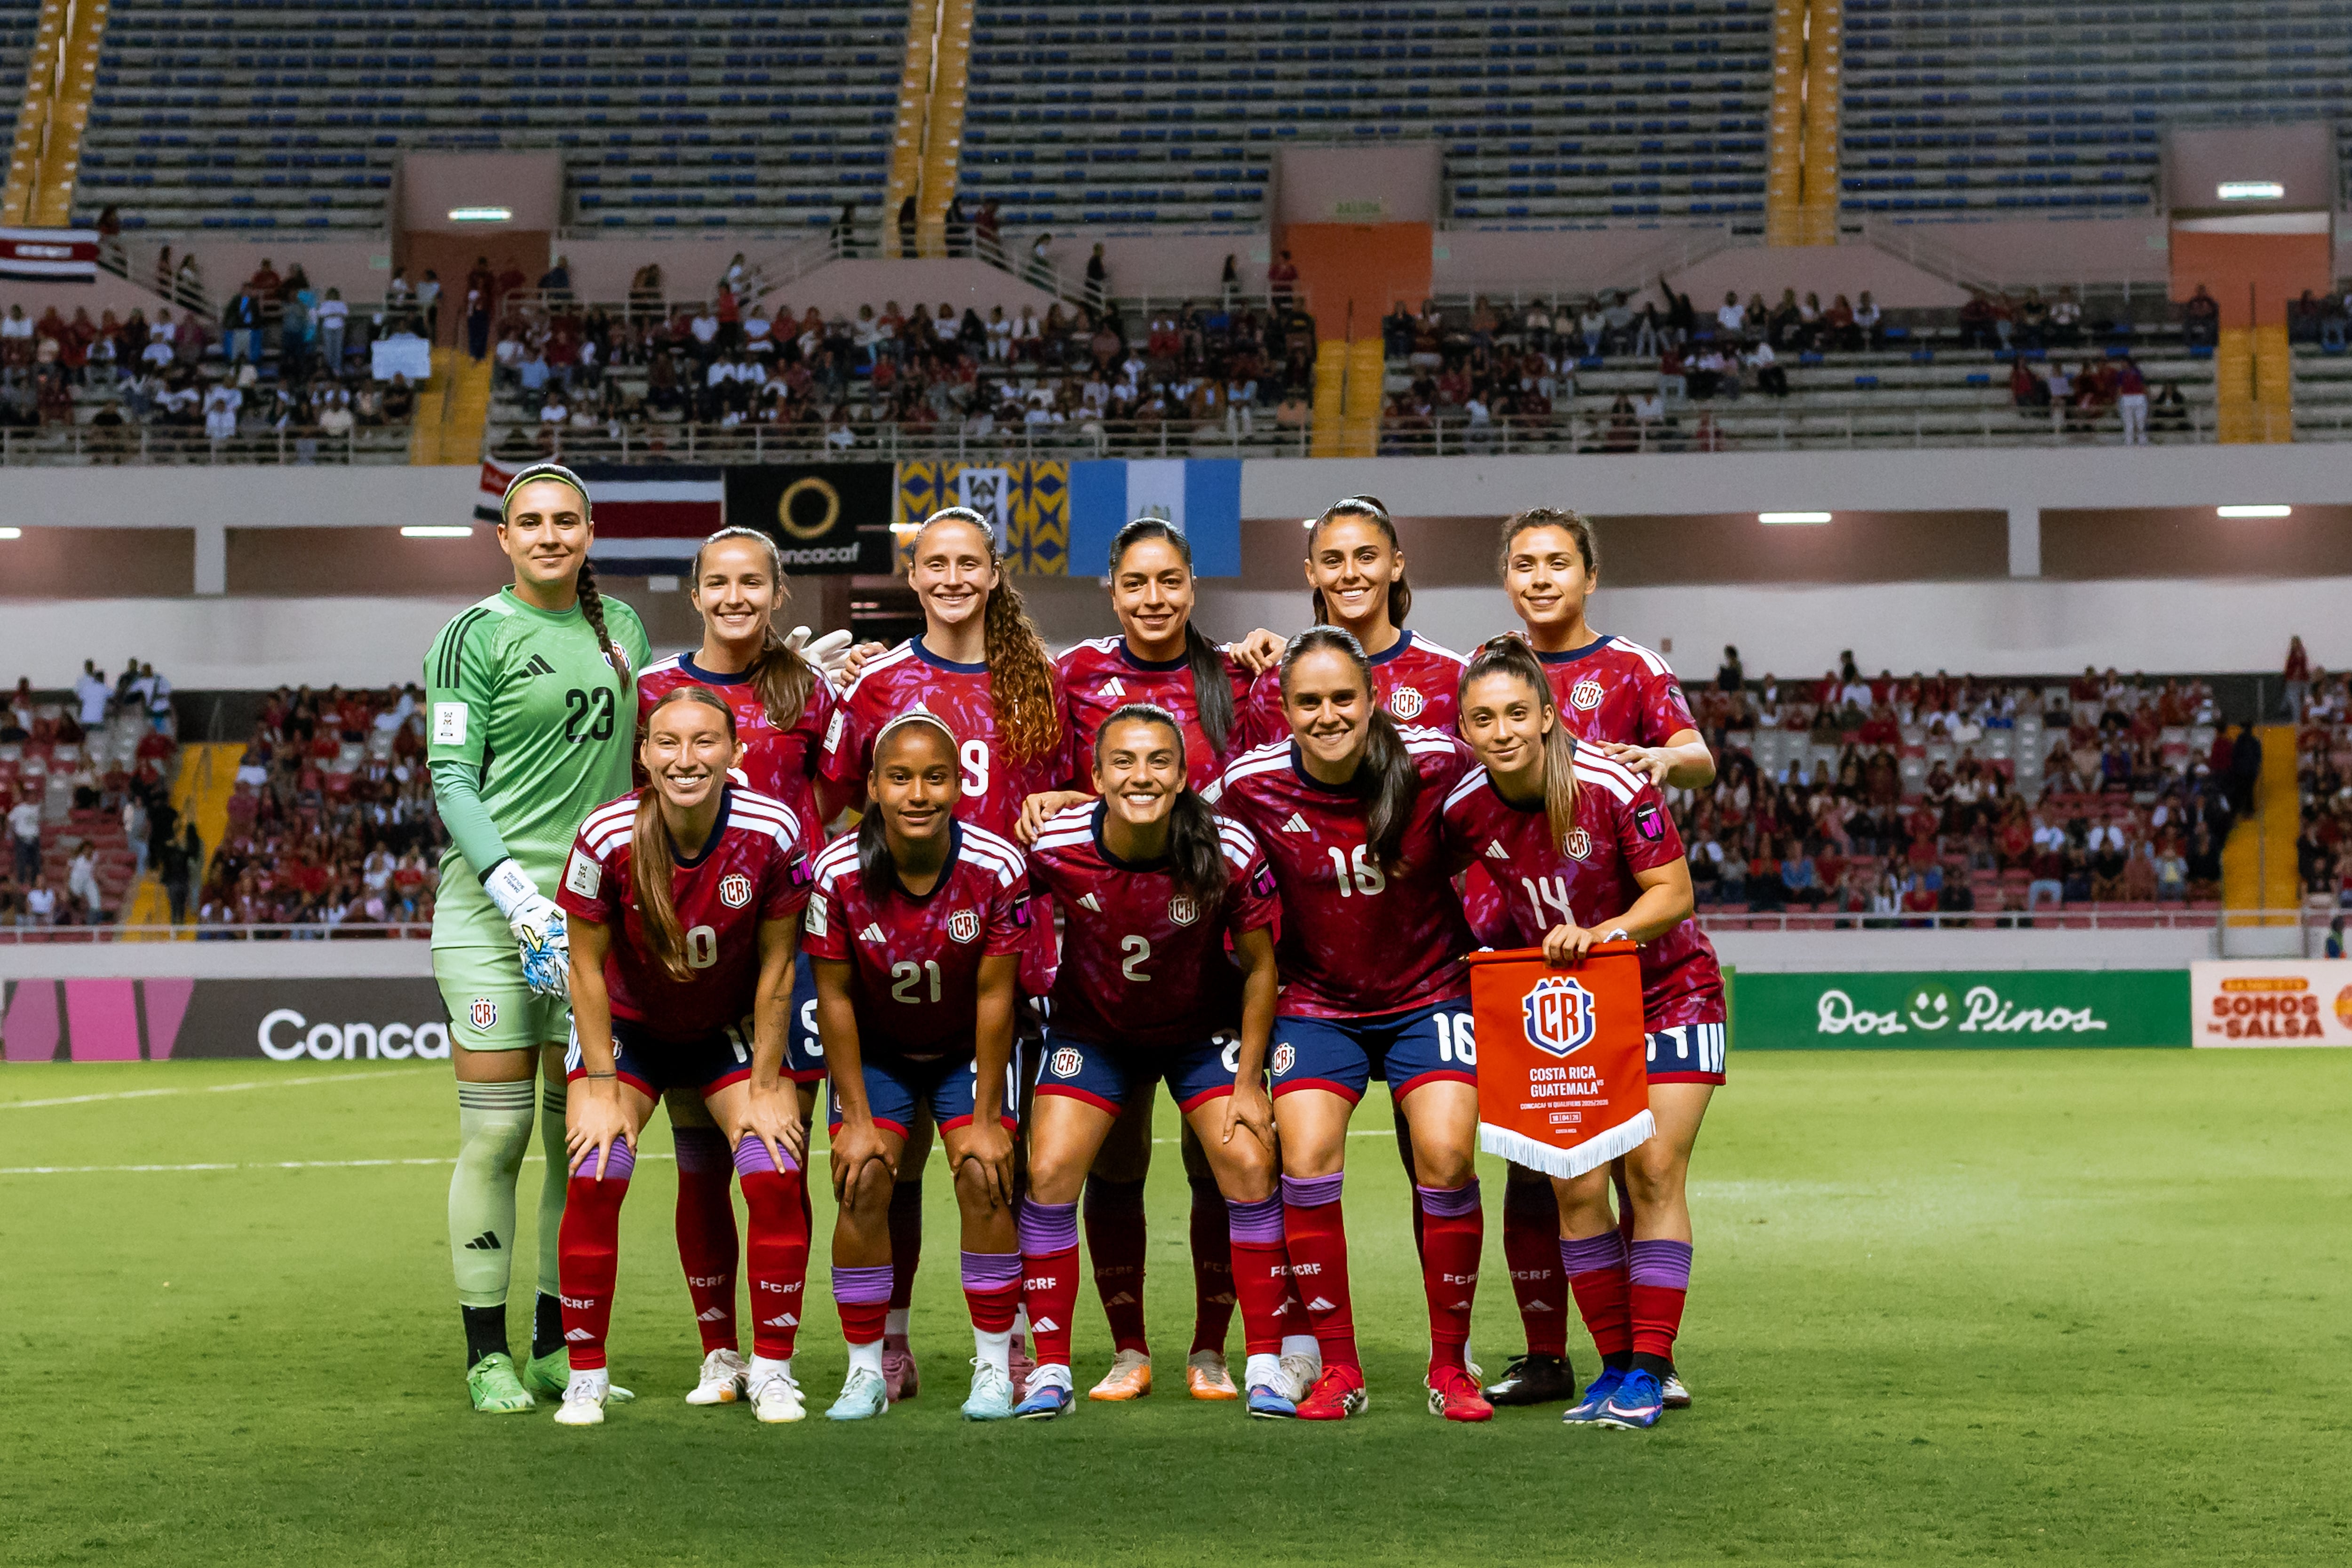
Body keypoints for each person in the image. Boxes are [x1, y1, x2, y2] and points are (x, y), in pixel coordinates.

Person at [1015, 518, 1283, 1401]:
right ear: (1111, 588)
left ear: (1194, 586)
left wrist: (1270, 664)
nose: (1154, 597)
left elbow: (1269, 777)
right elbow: (1047, 784)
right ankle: (1121, 1347)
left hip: (1204, 974)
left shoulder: (1233, 678)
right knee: (1104, 1160)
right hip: (1103, 994)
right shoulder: (1078, 674)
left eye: (1170, 580)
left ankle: (1218, 1348)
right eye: (1136, 582)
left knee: (1228, 1160)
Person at [1203, 628, 1490, 1422]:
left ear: (1371, 701)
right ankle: (1338, 1368)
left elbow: (1519, 806)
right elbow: (1169, 827)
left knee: (1444, 1152)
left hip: (1430, 993)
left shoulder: (1439, 764)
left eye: (1342, 698)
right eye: (1308, 702)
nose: (1327, 715)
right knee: (1308, 1154)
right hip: (1315, 1002)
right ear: (1285, 709)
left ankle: (1449, 1365)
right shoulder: (1249, 784)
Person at [1446, 638, 1726, 1428]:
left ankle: (1653, 1366)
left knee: (1652, 1171)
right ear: (1465, 728)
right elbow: (1450, 884)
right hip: (1569, 1010)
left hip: (1671, 993)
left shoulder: (1610, 784)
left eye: (1514, 714)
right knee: (1573, 1180)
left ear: (1546, 717)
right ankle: (1610, 1369)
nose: (1500, 731)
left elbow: (1673, 893)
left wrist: (1606, 932)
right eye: (1482, 718)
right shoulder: (1464, 807)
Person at [423, 461, 652, 1414]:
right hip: (491, 913)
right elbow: (451, 778)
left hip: (594, 917)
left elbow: (670, 753)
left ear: (589, 534)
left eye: (567, 519)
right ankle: (487, 1355)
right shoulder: (470, 635)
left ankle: (560, 1347)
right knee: (501, 1130)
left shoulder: (625, 630)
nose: (550, 534)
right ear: (505, 538)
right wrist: (515, 892)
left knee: (579, 1138)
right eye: (532, 521)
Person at [820, 506, 1064, 1398]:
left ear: (995, 573)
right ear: (913, 576)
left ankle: (1017, 1337)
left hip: (1011, 950)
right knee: (895, 1155)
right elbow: (833, 798)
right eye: (937, 564)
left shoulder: (1039, 675)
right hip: (898, 953)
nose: (954, 577)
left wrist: (1064, 797)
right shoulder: (877, 680)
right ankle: (889, 1340)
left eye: (971, 562)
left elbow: (1087, 781)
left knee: (1001, 1158)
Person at [547, 688, 814, 1425]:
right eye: (667, 743)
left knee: (775, 1164)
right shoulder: (605, 836)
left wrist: (765, 1080)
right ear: (644, 756)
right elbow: (585, 968)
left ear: (734, 754)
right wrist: (600, 1085)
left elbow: (779, 965)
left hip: (724, 1026)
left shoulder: (772, 829)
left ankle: (770, 1370)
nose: (685, 758)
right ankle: (586, 1376)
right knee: (597, 1168)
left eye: (704, 742)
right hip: (629, 1032)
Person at [632, 527, 852, 1405]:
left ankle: (775, 1359)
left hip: (782, 957)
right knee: (699, 1163)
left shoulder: (809, 691)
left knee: (776, 1160)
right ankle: (718, 1351)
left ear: (777, 591)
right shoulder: (654, 689)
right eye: (717, 582)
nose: (734, 597)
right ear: (694, 594)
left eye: (751, 582)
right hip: (686, 955)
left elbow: (830, 803)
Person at [805, 712, 1032, 1421]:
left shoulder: (997, 866)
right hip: (879, 1052)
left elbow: (998, 995)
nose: (918, 793)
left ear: (960, 783)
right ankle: (866, 1371)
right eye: (899, 777)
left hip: (968, 1048)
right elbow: (834, 999)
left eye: (935, 776)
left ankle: (995, 1368)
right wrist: (858, 1120)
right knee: (865, 1178)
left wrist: (989, 1118)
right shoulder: (836, 872)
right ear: (870, 786)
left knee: (983, 1173)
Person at [1237, 496, 1466, 745]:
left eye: (1366, 558)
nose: (1350, 574)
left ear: (1396, 566)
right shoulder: (1276, 683)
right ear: (1311, 573)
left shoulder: (1452, 675)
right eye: (1333, 561)